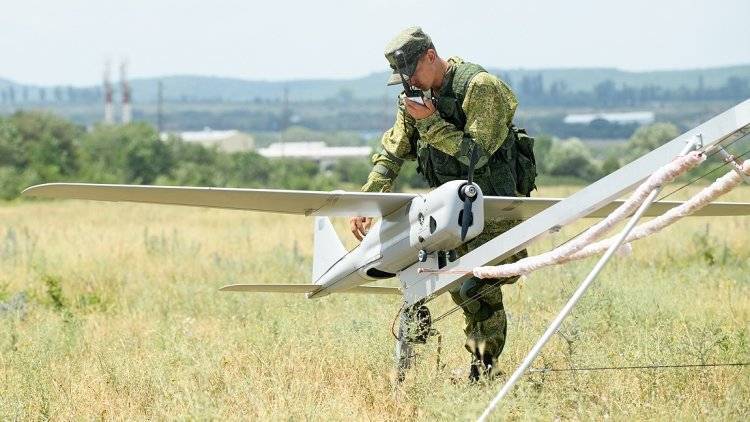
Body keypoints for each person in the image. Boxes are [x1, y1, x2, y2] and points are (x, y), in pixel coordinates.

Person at [349, 26, 536, 381]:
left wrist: (431, 122)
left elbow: (475, 156)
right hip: (449, 216)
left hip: (494, 212)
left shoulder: (480, 88)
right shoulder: (414, 97)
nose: (410, 83)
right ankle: (448, 369)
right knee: (441, 285)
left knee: (478, 290)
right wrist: (368, 199)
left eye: (413, 72)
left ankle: (483, 375)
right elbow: (392, 152)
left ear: (431, 56)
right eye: (403, 78)